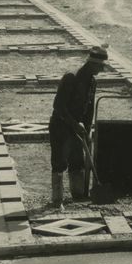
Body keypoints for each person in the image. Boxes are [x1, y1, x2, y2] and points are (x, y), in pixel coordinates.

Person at [49, 45, 107, 209]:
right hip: (60, 126)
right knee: (59, 162)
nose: (102, 70)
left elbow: (89, 109)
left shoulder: (92, 82)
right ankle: (57, 200)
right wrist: (74, 124)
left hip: (77, 128)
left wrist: (86, 130)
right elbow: (58, 106)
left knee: (77, 161)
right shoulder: (71, 77)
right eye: (100, 66)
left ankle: (78, 196)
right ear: (92, 64)